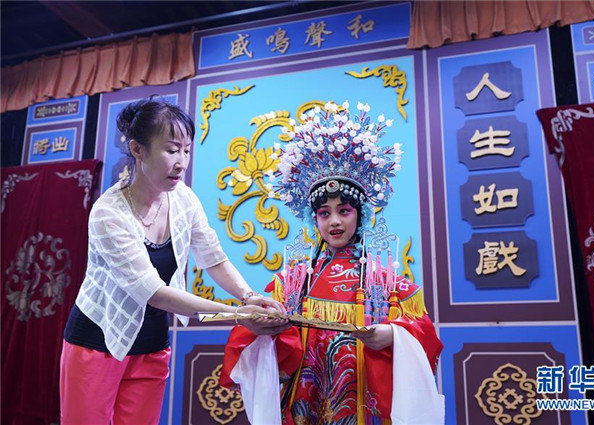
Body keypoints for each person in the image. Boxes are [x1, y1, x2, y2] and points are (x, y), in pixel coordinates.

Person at [59, 97, 287, 425]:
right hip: (97, 341)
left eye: (187, 150)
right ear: (137, 150)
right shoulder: (108, 213)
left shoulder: (183, 199)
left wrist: (248, 297)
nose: (181, 162)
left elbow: (213, 258)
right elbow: (153, 292)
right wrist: (237, 315)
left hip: (152, 343)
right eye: (171, 150)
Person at [220, 101, 444, 424]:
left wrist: (393, 335)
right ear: (314, 219)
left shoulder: (387, 284)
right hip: (305, 404)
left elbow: (426, 336)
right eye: (325, 213)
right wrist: (265, 325)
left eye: (344, 211)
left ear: (360, 214)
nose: (335, 221)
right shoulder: (292, 283)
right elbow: (258, 340)